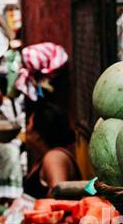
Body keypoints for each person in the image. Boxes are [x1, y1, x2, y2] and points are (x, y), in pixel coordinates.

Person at [19, 51, 80, 197]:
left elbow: (59, 197)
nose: (26, 129)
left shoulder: (54, 158)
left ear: (38, 134)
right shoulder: (45, 157)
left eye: (29, 124)